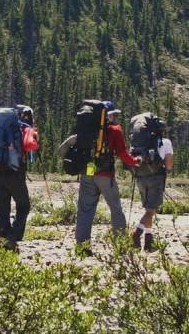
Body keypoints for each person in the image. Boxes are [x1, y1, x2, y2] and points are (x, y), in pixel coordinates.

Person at [74, 103, 140, 256]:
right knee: (115, 208)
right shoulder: (115, 130)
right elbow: (123, 154)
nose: (115, 117)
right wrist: (135, 161)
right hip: (105, 175)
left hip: (87, 172)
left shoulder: (87, 127)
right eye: (114, 114)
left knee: (85, 210)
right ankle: (120, 245)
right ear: (108, 114)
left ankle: (82, 247)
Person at [0, 106, 36, 252]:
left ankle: (3, 241)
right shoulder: (23, 130)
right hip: (15, 173)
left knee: (2, 209)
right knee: (24, 206)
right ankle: (12, 236)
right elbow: (31, 147)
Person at [131, 121, 174, 252]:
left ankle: (148, 241)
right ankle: (136, 233)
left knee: (149, 209)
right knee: (151, 210)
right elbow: (169, 165)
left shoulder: (141, 143)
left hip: (140, 177)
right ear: (162, 130)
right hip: (156, 178)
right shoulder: (166, 142)